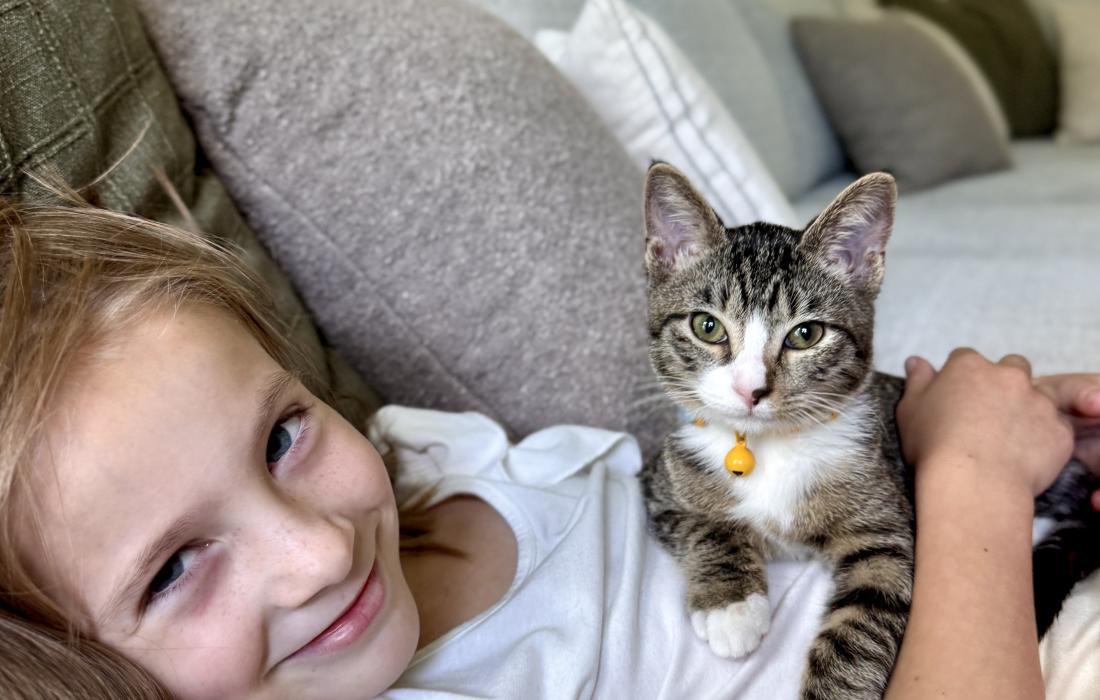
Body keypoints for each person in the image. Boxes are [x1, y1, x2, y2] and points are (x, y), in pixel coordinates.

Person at [0, 194, 1097, 700]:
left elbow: (701, 482)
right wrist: (972, 478)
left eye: (283, 434)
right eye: (175, 566)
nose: (321, 551)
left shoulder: (426, 455)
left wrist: (966, 428)